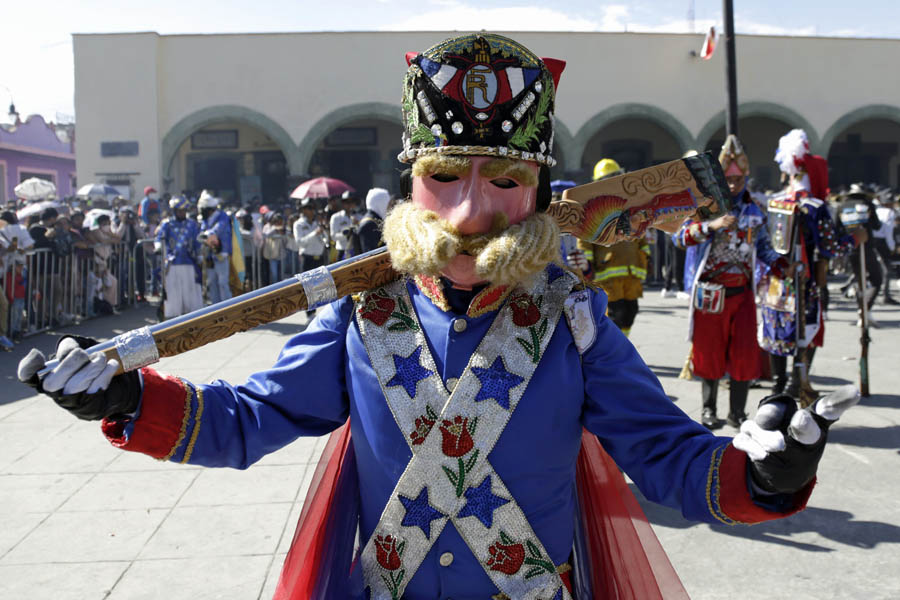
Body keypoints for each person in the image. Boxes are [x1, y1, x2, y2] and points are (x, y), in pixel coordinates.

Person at [18, 34, 857, 599]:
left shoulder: (574, 321)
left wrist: (764, 477)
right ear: (414, 177)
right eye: (447, 174)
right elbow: (253, 418)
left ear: (540, 193)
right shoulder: (360, 311)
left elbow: (673, 461)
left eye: (503, 180)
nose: (468, 211)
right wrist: (129, 402)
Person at [675, 135, 789, 429]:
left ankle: (738, 412)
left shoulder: (755, 211)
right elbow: (680, 237)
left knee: (744, 355)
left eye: (739, 179)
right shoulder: (704, 208)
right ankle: (708, 410)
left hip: (743, 294)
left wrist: (779, 262)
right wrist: (710, 226)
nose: (735, 184)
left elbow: (763, 248)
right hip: (711, 294)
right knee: (708, 353)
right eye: (729, 179)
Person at [760, 130, 866, 402]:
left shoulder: (775, 201)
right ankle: (795, 385)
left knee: (778, 333)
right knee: (805, 332)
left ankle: (777, 385)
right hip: (804, 282)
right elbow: (831, 247)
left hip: (776, 282)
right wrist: (855, 238)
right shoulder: (814, 206)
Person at [569, 158, 649, 337]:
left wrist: (644, 255)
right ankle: (615, 352)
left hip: (631, 272)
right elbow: (585, 239)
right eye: (609, 178)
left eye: (616, 177)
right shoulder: (592, 209)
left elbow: (640, 234)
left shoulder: (631, 205)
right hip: (607, 275)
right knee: (614, 315)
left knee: (630, 312)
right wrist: (585, 267)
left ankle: (623, 346)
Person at [155, 196, 203, 319]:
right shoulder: (167, 224)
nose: (182, 213)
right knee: (173, 292)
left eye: (183, 210)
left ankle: (192, 315)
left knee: (190, 292)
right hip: (172, 263)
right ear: (174, 211)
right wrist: (158, 246)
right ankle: (173, 316)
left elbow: (198, 242)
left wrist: (200, 255)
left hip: (189, 262)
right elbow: (159, 238)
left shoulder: (192, 225)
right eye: (179, 210)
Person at [198, 190, 232, 304]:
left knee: (223, 282)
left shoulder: (222, 216)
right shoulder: (205, 219)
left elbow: (219, 228)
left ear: (209, 209)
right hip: (209, 255)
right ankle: (215, 307)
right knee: (211, 282)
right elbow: (202, 231)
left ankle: (227, 307)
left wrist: (209, 234)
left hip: (221, 253)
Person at [872, 194, 898, 305]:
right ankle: (885, 295)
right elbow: (888, 232)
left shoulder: (877, 210)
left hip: (872, 240)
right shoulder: (890, 213)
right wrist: (892, 247)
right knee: (886, 270)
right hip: (882, 243)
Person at [293, 198, 328, 273]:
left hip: (320, 258)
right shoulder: (298, 224)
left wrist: (323, 230)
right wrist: (314, 233)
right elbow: (299, 242)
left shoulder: (318, 223)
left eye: (313, 208)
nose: (312, 210)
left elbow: (326, 240)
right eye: (309, 208)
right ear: (303, 210)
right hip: (307, 259)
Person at [357, 187, 390, 253]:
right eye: (387, 204)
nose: (389, 207)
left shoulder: (376, 220)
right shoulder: (369, 224)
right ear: (381, 204)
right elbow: (370, 256)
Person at [330, 191, 359, 259]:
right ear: (343, 204)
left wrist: (358, 225)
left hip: (356, 251)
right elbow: (333, 236)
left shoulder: (360, 217)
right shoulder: (336, 217)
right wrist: (347, 233)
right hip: (342, 251)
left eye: (352, 202)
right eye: (347, 202)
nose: (349, 205)